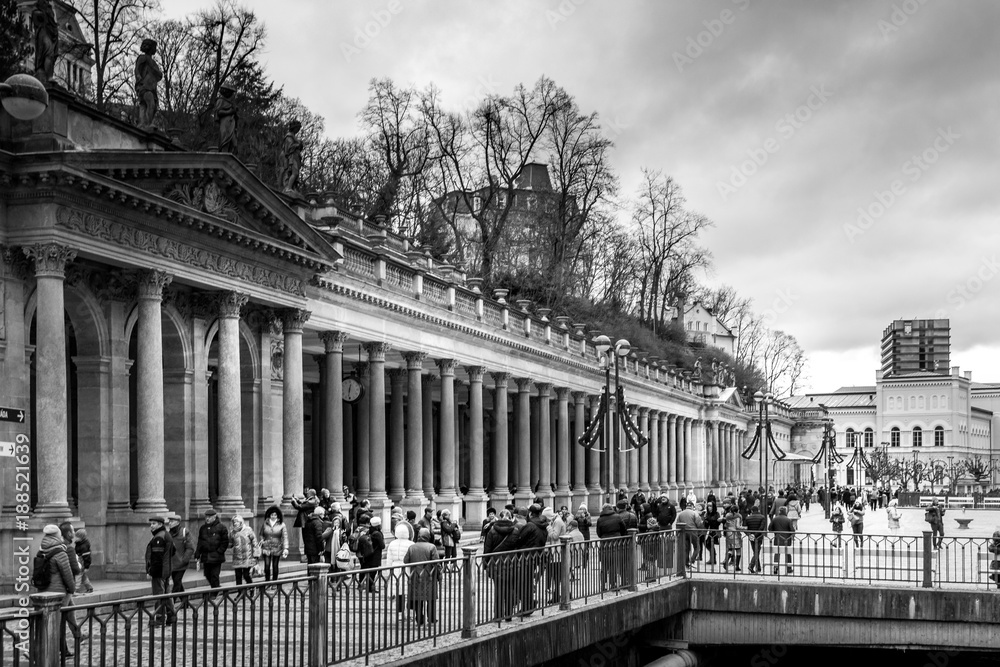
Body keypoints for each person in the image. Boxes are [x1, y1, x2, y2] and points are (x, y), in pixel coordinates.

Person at [38, 524, 78, 658]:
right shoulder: (60, 552)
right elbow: (67, 574)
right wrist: (72, 589)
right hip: (58, 593)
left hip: (43, 590)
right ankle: (46, 652)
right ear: (57, 536)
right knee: (57, 623)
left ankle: (54, 649)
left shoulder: (41, 550)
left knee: (44, 622)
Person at [483, 509, 520, 621]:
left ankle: (498, 616)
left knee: (498, 589)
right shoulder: (515, 531)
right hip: (511, 563)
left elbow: (487, 549)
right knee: (509, 588)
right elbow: (517, 548)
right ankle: (508, 615)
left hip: (496, 563)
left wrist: (485, 564)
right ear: (510, 517)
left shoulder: (492, 531)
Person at [515, 504, 549, 616]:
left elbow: (519, 538)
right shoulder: (543, 525)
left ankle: (527, 606)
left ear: (530, 513)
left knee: (522, 583)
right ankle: (529, 604)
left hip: (526, 556)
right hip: (535, 557)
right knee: (527, 582)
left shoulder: (530, 525)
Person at [404, 529, 440, 626]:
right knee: (430, 599)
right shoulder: (432, 547)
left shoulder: (412, 547)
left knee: (417, 599)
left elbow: (406, 560)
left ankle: (419, 619)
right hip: (429, 576)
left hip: (415, 576)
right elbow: (436, 562)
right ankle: (431, 618)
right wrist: (439, 574)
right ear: (428, 536)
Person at [145, 516, 175, 625]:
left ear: (160, 524)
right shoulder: (167, 535)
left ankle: (159, 618)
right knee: (166, 595)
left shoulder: (159, 537)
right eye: (151, 523)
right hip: (166, 570)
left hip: (159, 571)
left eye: (154, 524)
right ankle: (171, 616)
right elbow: (173, 551)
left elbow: (156, 558)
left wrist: (151, 571)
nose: (151, 526)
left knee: (159, 595)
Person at [194, 509, 229, 589]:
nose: (207, 519)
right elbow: (200, 542)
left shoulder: (221, 527)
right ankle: (216, 587)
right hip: (206, 556)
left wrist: (219, 551)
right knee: (207, 574)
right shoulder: (203, 528)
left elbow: (225, 542)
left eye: (209, 517)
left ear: (214, 517)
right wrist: (197, 553)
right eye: (206, 517)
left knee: (214, 575)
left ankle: (215, 591)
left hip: (217, 556)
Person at [596, 502, 627, 589]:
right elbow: (623, 529)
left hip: (604, 543)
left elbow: (598, 533)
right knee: (614, 564)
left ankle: (603, 586)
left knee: (604, 565)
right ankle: (613, 585)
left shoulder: (600, 519)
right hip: (615, 543)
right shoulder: (617, 516)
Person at [386, 523, 414, 616]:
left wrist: (388, 572)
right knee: (408, 592)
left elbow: (389, 559)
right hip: (407, 568)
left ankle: (400, 613)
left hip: (395, 568)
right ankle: (409, 613)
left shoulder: (392, 543)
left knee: (398, 593)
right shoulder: (411, 544)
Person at [259, 506, 289, 582]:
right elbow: (261, 534)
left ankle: (275, 581)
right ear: (269, 515)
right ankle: (267, 581)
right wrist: (262, 540)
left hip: (277, 547)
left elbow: (285, 536)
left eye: (275, 515)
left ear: (277, 516)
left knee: (275, 566)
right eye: (272, 515)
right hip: (266, 547)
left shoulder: (282, 524)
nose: (273, 516)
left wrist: (286, 548)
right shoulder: (265, 524)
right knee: (267, 565)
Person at [166, 515, 194, 596]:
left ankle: (171, 604)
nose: (170, 523)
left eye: (172, 522)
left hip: (181, 563)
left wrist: (184, 559)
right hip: (172, 563)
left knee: (177, 582)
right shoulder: (168, 533)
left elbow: (190, 547)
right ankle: (185, 602)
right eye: (169, 522)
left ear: (178, 522)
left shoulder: (184, 532)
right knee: (177, 581)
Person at [229, 515, 259, 587]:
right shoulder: (232, 533)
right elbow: (230, 544)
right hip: (237, 557)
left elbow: (255, 543)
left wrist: (256, 555)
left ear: (241, 522)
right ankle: (240, 593)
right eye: (234, 522)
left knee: (246, 575)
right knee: (238, 577)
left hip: (247, 557)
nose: (235, 523)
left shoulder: (248, 530)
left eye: (237, 522)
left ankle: (251, 588)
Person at [768, 506, 795, 575]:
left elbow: (769, 528)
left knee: (777, 554)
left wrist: (775, 531)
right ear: (785, 512)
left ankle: (775, 568)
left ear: (779, 511)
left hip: (777, 539)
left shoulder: (775, 519)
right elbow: (792, 530)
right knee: (788, 554)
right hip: (787, 540)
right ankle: (789, 568)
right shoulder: (788, 520)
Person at [361, 517, 385, 592]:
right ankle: (370, 588)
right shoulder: (378, 534)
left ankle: (368, 587)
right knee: (373, 573)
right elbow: (382, 546)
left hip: (368, 554)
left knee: (369, 572)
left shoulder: (369, 531)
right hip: (375, 555)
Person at [743, 503, 767, 574]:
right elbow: (761, 528)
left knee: (755, 551)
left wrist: (749, 535)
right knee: (757, 551)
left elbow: (745, 528)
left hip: (751, 537)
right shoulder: (762, 517)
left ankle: (758, 567)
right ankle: (751, 565)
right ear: (758, 510)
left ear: (751, 511)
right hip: (759, 537)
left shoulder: (747, 518)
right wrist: (755, 535)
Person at [722, 505, 744, 572]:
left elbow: (725, 525)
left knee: (730, 549)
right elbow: (737, 526)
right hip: (736, 534)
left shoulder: (727, 515)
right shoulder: (738, 516)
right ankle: (737, 566)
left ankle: (726, 561)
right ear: (737, 510)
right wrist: (745, 528)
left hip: (729, 534)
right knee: (738, 550)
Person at [74, 528, 94, 595]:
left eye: (77, 537)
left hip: (82, 561)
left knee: (78, 575)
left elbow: (87, 557)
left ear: (81, 537)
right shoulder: (79, 543)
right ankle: (89, 587)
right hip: (79, 560)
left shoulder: (84, 546)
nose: (75, 538)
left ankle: (76, 589)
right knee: (83, 576)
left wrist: (86, 566)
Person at [703, 501, 721, 566]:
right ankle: (713, 558)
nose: (709, 507)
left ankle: (713, 559)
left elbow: (717, 522)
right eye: (708, 506)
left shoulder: (716, 513)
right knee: (708, 544)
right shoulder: (707, 514)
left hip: (714, 531)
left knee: (710, 544)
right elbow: (706, 524)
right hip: (709, 531)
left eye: (710, 506)